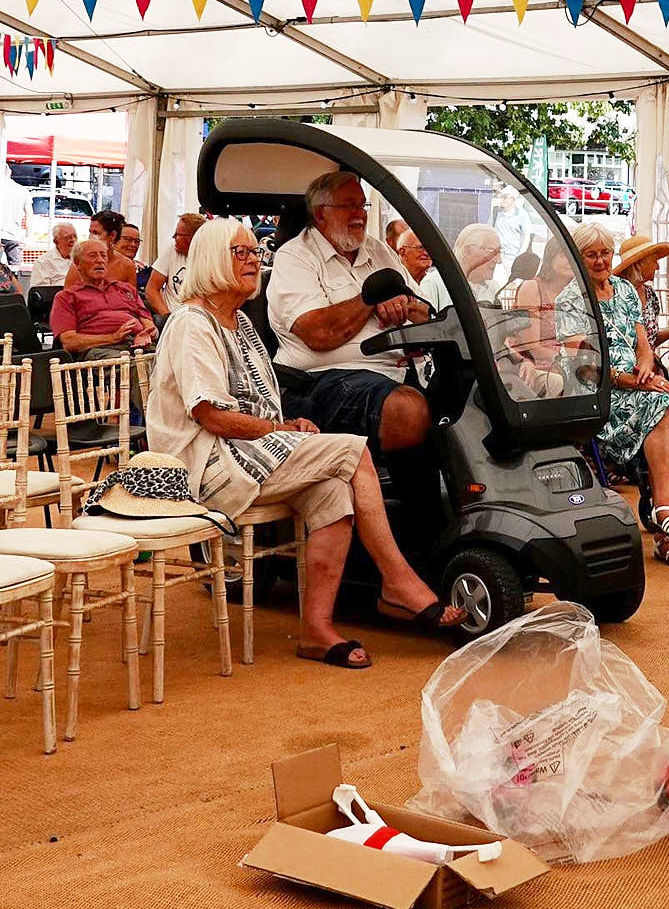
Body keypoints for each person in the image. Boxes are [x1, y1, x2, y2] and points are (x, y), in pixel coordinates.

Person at [149, 219, 464, 669]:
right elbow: (212, 416)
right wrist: (279, 431)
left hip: (246, 452)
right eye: (240, 252)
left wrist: (286, 424)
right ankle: (397, 580)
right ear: (211, 259)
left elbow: (254, 404)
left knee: (333, 491)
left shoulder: (239, 321)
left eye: (255, 252)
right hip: (206, 464)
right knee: (352, 450)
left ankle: (316, 630)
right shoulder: (191, 323)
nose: (254, 260)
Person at [556, 222, 669, 569]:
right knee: (661, 406)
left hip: (635, 382)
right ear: (578, 257)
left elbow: (642, 344)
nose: (600, 260)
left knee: (663, 403)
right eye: (591, 255)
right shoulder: (570, 299)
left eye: (605, 253)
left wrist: (647, 369)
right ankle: (665, 517)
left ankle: (664, 515)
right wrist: (632, 381)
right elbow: (584, 366)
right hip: (596, 390)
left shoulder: (624, 289)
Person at [266, 171, 432, 462]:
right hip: (322, 379)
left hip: (397, 371)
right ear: (320, 213)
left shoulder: (378, 251)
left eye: (362, 205)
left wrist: (402, 303)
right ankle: (392, 488)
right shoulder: (295, 256)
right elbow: (318, 333)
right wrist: (371, 299)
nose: (359, 214)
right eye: (348, 205)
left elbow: (424, 311)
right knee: (407, 410)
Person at [50, 238, 156, 361]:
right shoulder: (66, 297)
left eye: (103, 256)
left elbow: (147, 321)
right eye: (93, 256)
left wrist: (146, 333)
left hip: (139, 344)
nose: (100, 260)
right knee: (130, 366)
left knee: (168, 361)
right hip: (102, 348)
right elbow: (69, 341)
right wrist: (112, 337)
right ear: (78, 263)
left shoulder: (125, 289)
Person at [613, 234, 669, 353]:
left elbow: (652, 339)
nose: (657, 267)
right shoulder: (615, 295)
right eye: (654, 261)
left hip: (649, 362)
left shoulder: (650, 294)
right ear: (638, 264)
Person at [512, 236, 574, 397]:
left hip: (570, 361)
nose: (569, 261)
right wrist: (569, 362)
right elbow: (531, 345)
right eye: (563, 255)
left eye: (573, 256)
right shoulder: (532, 287)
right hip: (535, 363)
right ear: (550, 258)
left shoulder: (576, 293)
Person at [147, 213, 205, 316]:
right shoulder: (171, 250)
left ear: (190, 238)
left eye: (177, 234)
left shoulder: (212, 258)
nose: (173, 237)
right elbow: (152, 289)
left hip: (200, 319)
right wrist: (167, 316)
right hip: (170, 316)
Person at [64, 210, 138, 289]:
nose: (91, 237)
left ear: (112, 235)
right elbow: (68, 293)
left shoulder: (127, 266)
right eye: (90, 232)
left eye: (96, 233)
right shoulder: (81, 262)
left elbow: (131, 295)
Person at [395, 227, 451, 312]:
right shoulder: (394, 283)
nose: (427, 253)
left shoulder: (437, 282)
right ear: (403, 252)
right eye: (421, 248)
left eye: (430, 248)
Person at [452, 223, 502, 304]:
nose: (499, 260)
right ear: (467, 251)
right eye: (491, 250)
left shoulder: (493, 287)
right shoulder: (437, 283)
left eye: (499, 252)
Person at [493, 184, 539, 270]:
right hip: (497, 256)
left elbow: (526, 236)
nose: (502, 199)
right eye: (501, 196)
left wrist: (520, 256)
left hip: (512, 256)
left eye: (505, 197)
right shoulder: (496, 211)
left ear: (513, 199)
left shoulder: (522, 215)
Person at [29, 221, 78, 288]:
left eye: (75, 236)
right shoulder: (43, 262)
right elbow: (40, 290)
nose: (73, 240)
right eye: (68, 237)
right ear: (56, 241)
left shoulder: (82, 258)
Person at [0, 166, 31, 269]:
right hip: (14, 235)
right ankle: (15, 278)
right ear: (10, 172)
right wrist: (28, 236)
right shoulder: (22, 190)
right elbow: (29, 215)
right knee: (14, 267)